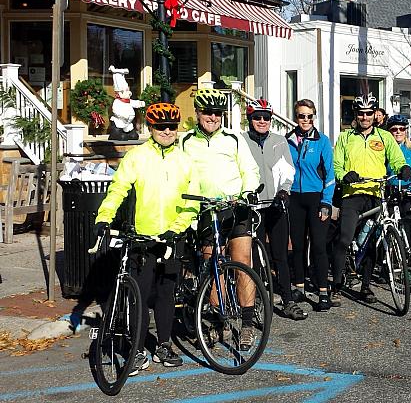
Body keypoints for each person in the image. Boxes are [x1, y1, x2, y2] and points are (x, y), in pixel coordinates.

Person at [94, 103, 199, 376]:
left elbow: (192, 202)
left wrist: (177, 228)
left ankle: (163, 344)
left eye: (172, 127)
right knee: (139, 295)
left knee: (166, 293)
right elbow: (117, 189)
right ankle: (137, 349)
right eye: (161, 127)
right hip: (142, 237)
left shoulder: (185, 160)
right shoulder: (137, 157)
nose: (167, 131)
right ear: (151, 128)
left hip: (172, 237)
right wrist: (104, 216)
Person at [181, 88, 261, 350]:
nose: (213, 117)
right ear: (198, 114)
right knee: (213, 267)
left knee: (241, 263)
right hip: (206, 211)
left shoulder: (233, 138)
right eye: (208, 112)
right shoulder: (185, 142)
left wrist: (248, 192)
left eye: (218, 113)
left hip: (235, 207)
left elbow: (250, 170)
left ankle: (247, 323)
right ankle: (220, 322)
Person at [332, 93, 410, 304]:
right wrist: (343, 176)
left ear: (374, 114)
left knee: (374, 242)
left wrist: (403, 168)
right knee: (345, 239)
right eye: (361, 113)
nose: (365, 117)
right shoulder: (345, 138)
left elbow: (396, 158)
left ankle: (365, 287)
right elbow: (336, 166)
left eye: (368, 113)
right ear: (355, 114)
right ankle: (337, 285)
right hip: (352, 195)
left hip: (376, 193)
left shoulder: (384, 137)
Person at [242, 99, 306, 320]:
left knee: (280, 255)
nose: (262, 121)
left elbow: (287, 170)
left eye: (266, 118)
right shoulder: (240, 141)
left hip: (275, 205)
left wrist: (284, 191)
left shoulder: (279, 141)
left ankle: (288, 300)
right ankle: (259, 299)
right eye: (257, 117)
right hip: (253, 207)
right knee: (256, 257)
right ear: (250, 119)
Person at [285, 99, 336, 311]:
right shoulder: (287, 139)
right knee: (297, 246)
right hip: (294, 198)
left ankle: (323, 291)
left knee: (318, 246)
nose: (305, 120)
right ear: (295, 117)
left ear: (314, 117)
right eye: (301, 116)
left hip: (317, 198)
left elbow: (330, 174)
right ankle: (299, 286)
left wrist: (326, 202)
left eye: (309, 116)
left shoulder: (322, 140)